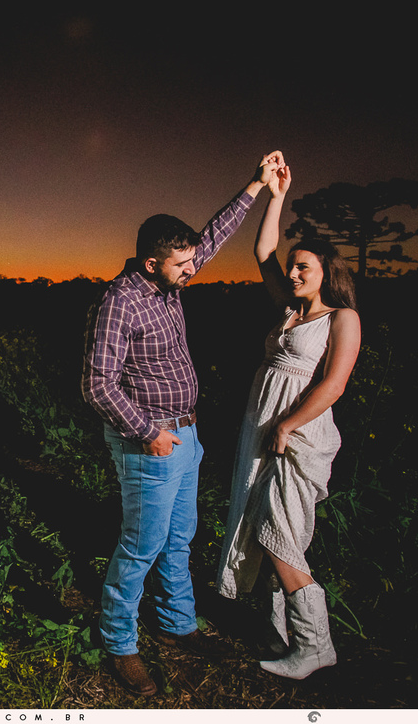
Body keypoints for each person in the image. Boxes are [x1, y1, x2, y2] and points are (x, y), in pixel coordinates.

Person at [82, 152, 280, 695]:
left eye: (193, 261)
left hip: (187, 435)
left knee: (179, 537)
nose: (194, 269)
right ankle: (119, 641)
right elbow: (97, 385)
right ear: (151, 263)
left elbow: (213, 236)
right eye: (183, 264)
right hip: (150, 441)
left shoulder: (171, 280)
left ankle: (177, 623)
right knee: (141, 545)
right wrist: (150, 433)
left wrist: (256, 185)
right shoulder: (120, 303)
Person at [215, 157, 361, 680]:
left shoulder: (341, 318)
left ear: (327, 273)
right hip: (264, 423)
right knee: (262, 521)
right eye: (293, 266)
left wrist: (287, 425)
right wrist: (276, 195)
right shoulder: (290, 309)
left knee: (278, 529)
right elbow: (262, 252)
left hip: (297, 431)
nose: (294, 273)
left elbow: (334, 384)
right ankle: (284, 632)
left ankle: (316, 646)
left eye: (305, 268)